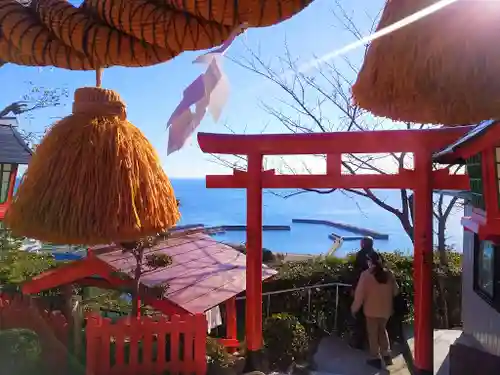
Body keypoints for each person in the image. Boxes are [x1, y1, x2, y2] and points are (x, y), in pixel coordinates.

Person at [351, 251, 399, 369]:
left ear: (370, 262)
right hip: (386, 310)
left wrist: (354, 309)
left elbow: (359, 295)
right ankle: (386, 354)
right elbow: (396, 291)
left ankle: (375, 358)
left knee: (373, 334)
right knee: (382, 330)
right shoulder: (389, 274)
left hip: (371, 310)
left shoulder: (366, 275)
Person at [349, 236, 376, 349]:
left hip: (362, 289)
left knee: (359, 316)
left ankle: (358, 342)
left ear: (364, 244)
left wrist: (353, 288)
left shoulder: (360, 255)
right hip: (374, 291)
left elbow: (356, 273)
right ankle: (370, 342)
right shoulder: (376, 255)